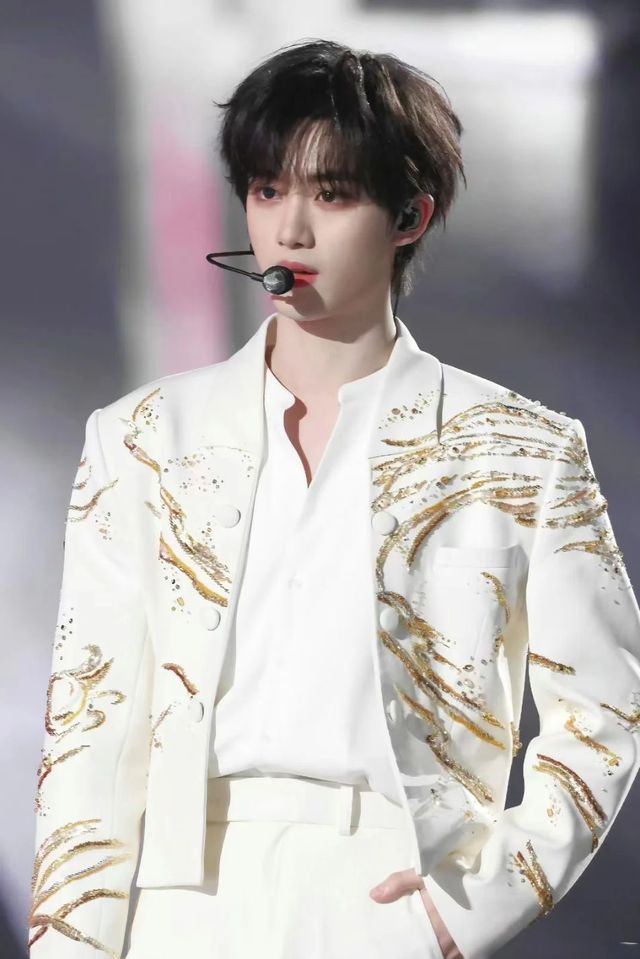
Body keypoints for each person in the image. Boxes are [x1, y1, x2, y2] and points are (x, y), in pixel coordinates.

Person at [28, 39, 640, 959]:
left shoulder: (520, 451)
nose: (291, 230)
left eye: (333, 194)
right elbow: (92, 731)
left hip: (392, 893)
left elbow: (605, 707)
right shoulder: (142, 440)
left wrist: (473, 903)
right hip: (179, 905)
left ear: (409, 215)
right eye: (267, 190)